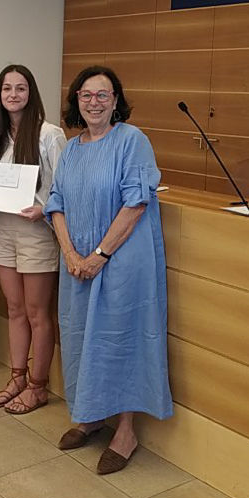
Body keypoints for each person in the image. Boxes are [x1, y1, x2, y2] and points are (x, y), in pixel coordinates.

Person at [44, 65, 173, 475]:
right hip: (76, 265)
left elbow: (136, 204)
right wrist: (70, 253)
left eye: (102, 95)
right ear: (76, 101)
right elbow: (56, 203)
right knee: (80, 336)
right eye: (86, 95)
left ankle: (126, 432)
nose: (94, 102)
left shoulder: (132, 141)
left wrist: (99, 255)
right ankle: (91, 415)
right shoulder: (71, 149)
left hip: (120, 264)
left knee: (120, 339)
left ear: (116, 100)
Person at [0, 65, 67, 414]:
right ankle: (17, 377)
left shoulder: (50, 134)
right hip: (3, 228)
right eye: (7, 88)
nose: (13, 95)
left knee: (37, 313)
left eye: (20, 88)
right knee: (15, 309)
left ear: (31, 93)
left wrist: (44, 209)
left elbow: (65, 187)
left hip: (37, 231)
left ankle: (38, 386)